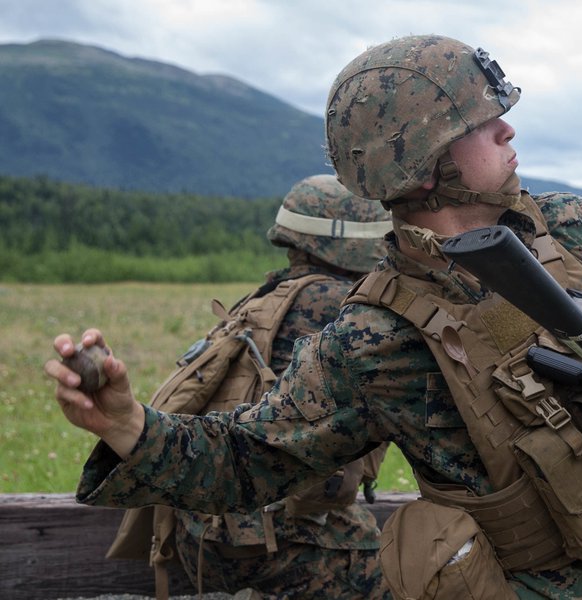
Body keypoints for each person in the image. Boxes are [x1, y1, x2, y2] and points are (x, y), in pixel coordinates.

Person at [46, 35, 582, 599]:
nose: (509, 128)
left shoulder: (579, 228)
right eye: (484, 123)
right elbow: (243, 463)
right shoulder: (372, 337)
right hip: (539, 579)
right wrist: (128, 425)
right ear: (425, 160)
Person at [105, 174, 393, 599]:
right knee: (411, 571)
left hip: (203, 537)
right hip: (289, 539)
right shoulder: (345, 308)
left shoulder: (262, 300)